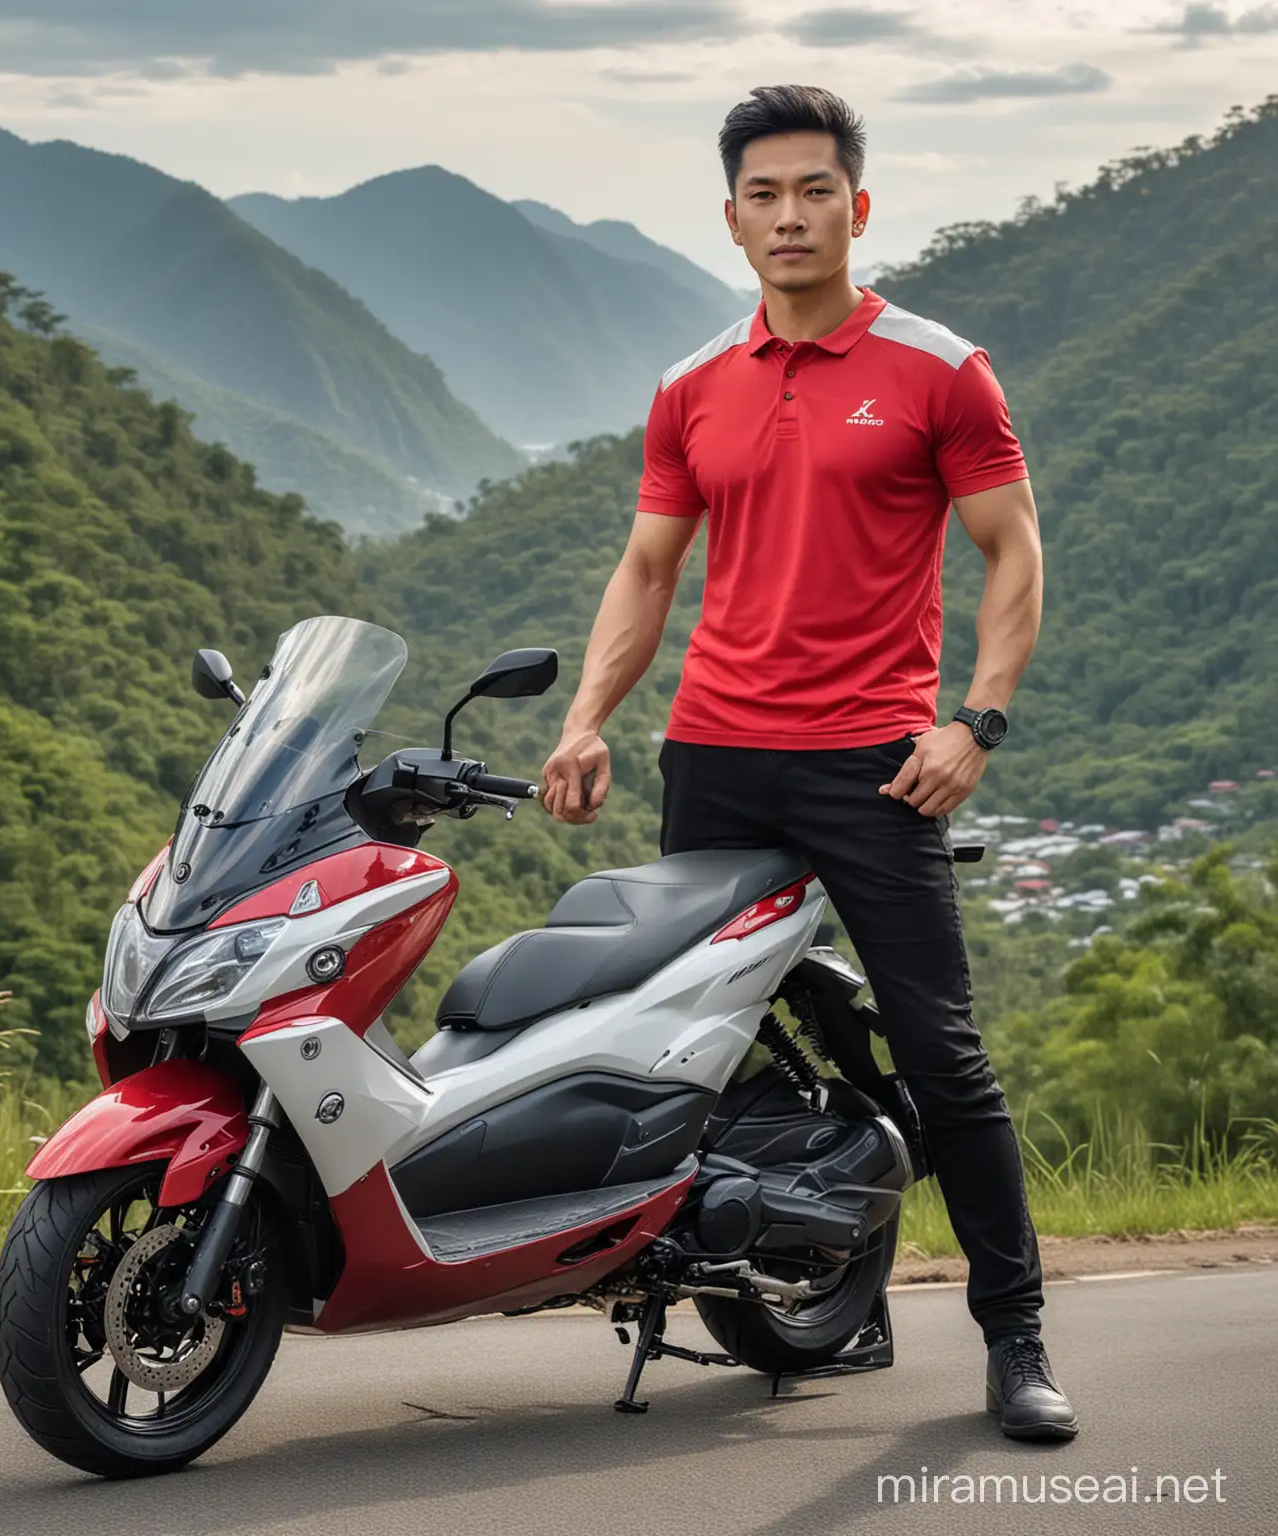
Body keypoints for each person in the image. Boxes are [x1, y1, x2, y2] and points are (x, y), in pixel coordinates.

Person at [540, 84, 1076, 1441]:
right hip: (713, 755)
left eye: (815, 190)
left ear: (858, 204)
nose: (791, 214)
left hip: (874, 765)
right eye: (765, 195)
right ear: (732, 219)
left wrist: (978, 721)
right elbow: (649, 566)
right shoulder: (691, 387)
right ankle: (810, 1285)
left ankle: (1016, 1340)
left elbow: (1013, 549)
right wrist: (587, 717)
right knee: (700, 1047)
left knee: (943, 1054)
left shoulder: (939, 370)